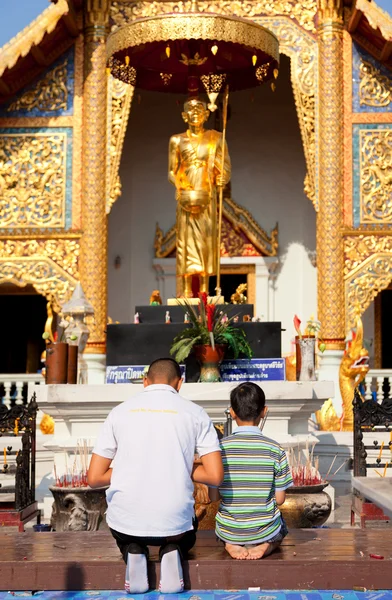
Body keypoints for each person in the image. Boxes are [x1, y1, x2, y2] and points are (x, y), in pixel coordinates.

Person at [88, 358, 223, 593]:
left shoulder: (118, 413)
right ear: (179, 383)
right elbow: (215, 476)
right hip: (176, 528)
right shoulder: (196, 413)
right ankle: (172, 552)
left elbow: (94, 478)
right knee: (185, 536)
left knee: (126, 532)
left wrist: (134, 465)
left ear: (145, 381)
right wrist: (178, 463)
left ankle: (133, 550)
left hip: (126, 524)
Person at [214, 382, 293, 560]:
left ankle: (230, 543)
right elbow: (280, 500)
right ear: (264, 411)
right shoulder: (275, 449)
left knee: (223, 526)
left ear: (232, 412)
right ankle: (267, 544)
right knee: (282, 527)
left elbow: (214, 497)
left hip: (230, 529)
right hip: (265, 528)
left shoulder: (220, 448)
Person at [168, 97, 231, 297]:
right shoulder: (176, 140)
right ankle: (186, 291)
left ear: (206, 115)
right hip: (187, 197)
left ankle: (205, 289)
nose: (196, 115)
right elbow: (172, 171)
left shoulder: (216, 138)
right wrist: (180, 185)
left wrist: (222, 178)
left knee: (206, 240)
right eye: (191, 111)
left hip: (207, 197)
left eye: (200, 111)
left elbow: (225, 167)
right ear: (184, 116)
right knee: (185, 241)